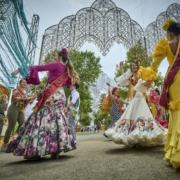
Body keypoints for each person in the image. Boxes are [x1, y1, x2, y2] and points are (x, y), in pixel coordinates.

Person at [5, 48, 79, 160]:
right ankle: (56, 149)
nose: (54, 58)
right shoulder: (67, 70)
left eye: (55, 56)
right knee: (57, 119)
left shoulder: (56, 65)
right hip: (60, 94)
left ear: (59, 57)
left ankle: (35, 150)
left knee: (41, 118)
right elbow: (68, 82)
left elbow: (38, 68)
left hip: (51, 95)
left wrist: (21, 69)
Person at [138, 19, 180, 169]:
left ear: (169, 33)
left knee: (177, 113)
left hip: (175, 81)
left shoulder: (167, 45)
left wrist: (148, 78)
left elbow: (154, 65)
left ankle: (177, 152)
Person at [105, 60, 167, 147]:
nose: (133, 66)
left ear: (137, 66)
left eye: (135, 65)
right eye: (132, 65)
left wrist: (142, 83)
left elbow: (148, 81)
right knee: (132, 116)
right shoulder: (130, 75)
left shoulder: (141, 73)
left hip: (140, 96)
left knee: (141, 115)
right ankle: (134, 139)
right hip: (133, 98)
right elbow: (123, 76)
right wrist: (121, 67)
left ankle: (141, 138)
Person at [1, 80, 35, 151]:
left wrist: (32, 98)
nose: (25, 83)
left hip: (21, 109)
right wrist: (28, 98)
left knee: (22, 125)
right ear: (19, 83)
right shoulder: (16, 91)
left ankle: (13, 142)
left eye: (26, 83)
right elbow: (16, 99)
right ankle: (5, 144)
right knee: (11, 125)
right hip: (14, 108)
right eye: (23, 82)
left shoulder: (25, 92)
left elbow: (27, 101)